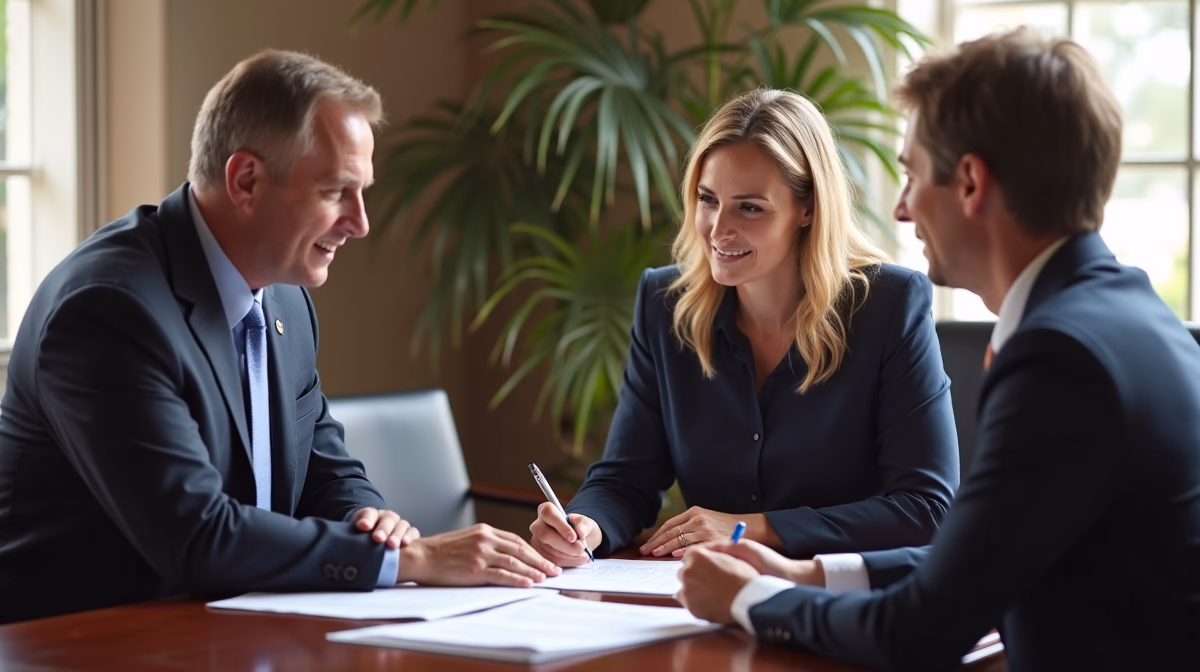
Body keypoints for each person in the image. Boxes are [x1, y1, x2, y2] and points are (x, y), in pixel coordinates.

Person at [676, 28, 1200, 671]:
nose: (900, 210)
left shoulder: (1060, 360)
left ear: (972, 183)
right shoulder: (1128, 316)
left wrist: (751, 600)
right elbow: (988, 554)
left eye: (913, 174)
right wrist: (808, 572)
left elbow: (918, 633)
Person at [0, 50, 557, 625]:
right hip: (87, 641)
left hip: (237, 630)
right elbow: (196, 534)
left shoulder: (283, 297)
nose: (360, 222)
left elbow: (325, 469)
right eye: (336, 191)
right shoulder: (110, 309)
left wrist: (375, 527)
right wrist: (409, 560)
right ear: (246, 180)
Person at [530, 88, 959, 567]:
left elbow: (928, 508)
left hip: (844, 601)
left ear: (808, 208)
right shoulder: (664, 304)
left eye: (749, 207)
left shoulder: (889, 305)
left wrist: (754, 529)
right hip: (708, 599)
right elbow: (626, 478)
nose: (716, 229)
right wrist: (587, 526)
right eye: (707, 199)